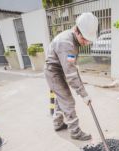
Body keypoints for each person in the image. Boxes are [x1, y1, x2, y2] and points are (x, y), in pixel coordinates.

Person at [44, 12, 98, 141]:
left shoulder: (73, 40)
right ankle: (75, 131)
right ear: (77, 30)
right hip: (54, 73)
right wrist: (83, 94)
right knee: (68, 101)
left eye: (88, 40)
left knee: (60, 98)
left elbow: (71, 68)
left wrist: (82, 89)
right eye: (84, 39)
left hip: (59, 70)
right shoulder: (66, 44)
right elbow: (71, 74)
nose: (86, 42)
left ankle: (57, 123)